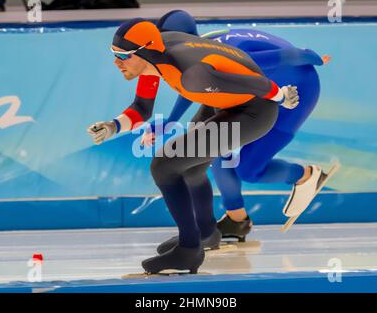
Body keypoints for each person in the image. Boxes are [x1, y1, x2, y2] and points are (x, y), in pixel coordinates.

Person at [87, 16, 298, 274]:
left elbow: (257, 84)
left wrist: (282, 96)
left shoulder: (192, 75)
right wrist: (112, 126)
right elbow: (141, 109)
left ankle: (189, 251)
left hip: (253, 113)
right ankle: (207, 233)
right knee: (190, 167)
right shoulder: (152, 58)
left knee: (165, 165)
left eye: (123, 56)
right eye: (114, 54)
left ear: (144, 52)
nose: (116, 62)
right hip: (222, 102)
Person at [140, 11, 333, 247]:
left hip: (296, 89)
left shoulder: (213, 53)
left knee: (249, 170)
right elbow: (186, 86)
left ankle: (305, 175)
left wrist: (312, 58)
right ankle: (236, 219)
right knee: (213, 148)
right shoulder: (191, 49)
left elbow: (288, 55)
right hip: (255, 89)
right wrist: (170, 120)